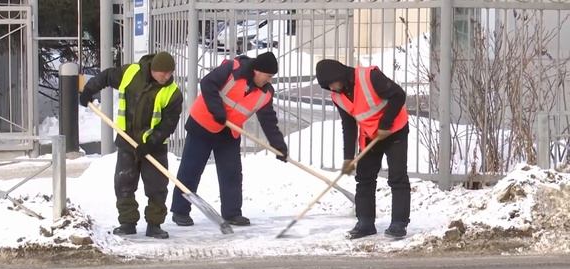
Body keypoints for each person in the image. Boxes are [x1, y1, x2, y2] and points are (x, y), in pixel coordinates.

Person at [170, 52, 288, 227]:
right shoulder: (232, 69)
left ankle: (232, 213)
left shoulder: (265, 93)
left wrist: (279, 145)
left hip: (229, 133)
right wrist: (217, 110)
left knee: (231, 173)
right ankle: (180, 211)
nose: (269, 80)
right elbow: (207, 83)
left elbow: (269, 120)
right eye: (268, 76)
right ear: (257, 71)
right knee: (191, 169)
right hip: (202, 124)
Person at [79, 52, 183, 238]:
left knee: (157, 186)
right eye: (163, 73)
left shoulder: (173, 93)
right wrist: (89, 89)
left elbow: (168, 124)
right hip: (127, 141)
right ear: (153, 70)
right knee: (124, 183)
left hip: (153, 147)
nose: (167, 77)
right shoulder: (131, 73)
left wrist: (151, 142)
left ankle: (154, 224)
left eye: (170, 73)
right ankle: (127, 222)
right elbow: (107, 76)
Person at [315, 59, 410, 239]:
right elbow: (349, 126)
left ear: (340, 75)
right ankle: (365, 223)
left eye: (333, 82)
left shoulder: (369, 77)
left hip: (395, 129)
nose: (333, 88)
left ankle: (399, 223)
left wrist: (385, 124)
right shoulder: (338, 97)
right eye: (328, 86)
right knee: (364, 178)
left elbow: (398, 95)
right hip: (370, 136)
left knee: (397, 177)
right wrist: (348, 158)